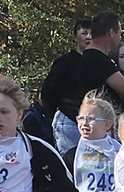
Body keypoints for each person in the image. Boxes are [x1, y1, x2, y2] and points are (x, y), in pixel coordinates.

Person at [40, 19, 93, 152]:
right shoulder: (64, 63)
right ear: (75, 37)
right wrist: (56, 114)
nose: (88, 37)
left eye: (92, 34)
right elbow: (48, 92)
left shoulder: (99, 62)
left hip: (92, 121)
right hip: (68, 120)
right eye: (84, 33)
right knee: (69, 161)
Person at [79, 11, 124, 111]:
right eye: (119, 33)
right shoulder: (98, 60)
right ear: (112, 33)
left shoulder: (90, 56)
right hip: (101, 118)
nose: (120, 38)